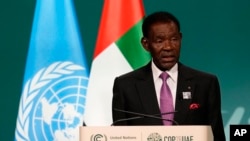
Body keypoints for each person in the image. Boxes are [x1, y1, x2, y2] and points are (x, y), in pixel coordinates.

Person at [112, 11, 226, 141]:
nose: (168, 47)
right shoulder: (126, 86)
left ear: (180, 38)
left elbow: (217, 136)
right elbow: (119, 137)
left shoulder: (205, 83)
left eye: (174, 39)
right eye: (159, 41)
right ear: (146, 44)